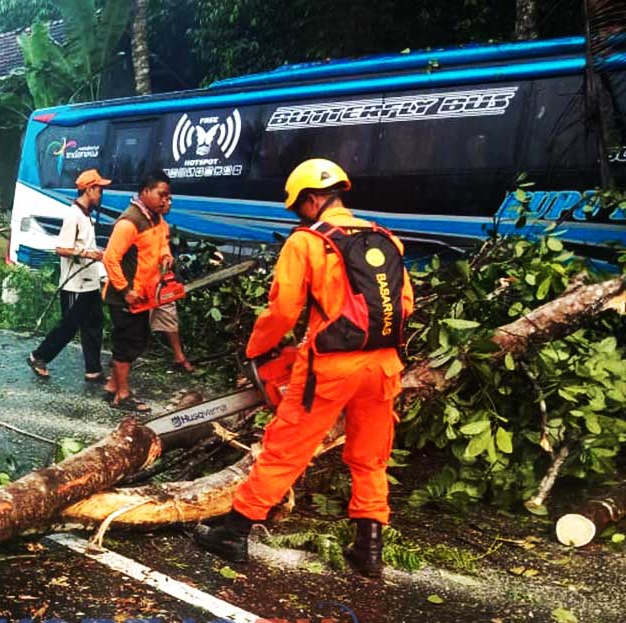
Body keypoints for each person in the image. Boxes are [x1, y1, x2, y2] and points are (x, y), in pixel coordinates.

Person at [193, 158, 414, 577]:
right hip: (384, 365)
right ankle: (369, 548)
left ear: (312, 200)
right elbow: (404, 306)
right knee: (370, 457)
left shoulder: (306, 242)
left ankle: (234, 532)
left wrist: (256, 351)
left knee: (285, 449)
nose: (298, 214)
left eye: (298, 206)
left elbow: (283, 311)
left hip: (329, 369)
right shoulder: (385, 238)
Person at [27, 169, 110, 382]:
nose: (101, 194)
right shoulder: (73, 215)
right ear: (89, 189)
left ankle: (93, 369)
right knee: (69, 326)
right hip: (75, 284)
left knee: (94, 323)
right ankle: (39, 356)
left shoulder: (86, 214)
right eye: (99, 189)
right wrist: (86, 253)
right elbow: (61, 249)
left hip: (90, 282)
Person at [101, 169, 173, 413]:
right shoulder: (128, 222)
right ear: (145, 192)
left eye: (167, 196)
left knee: (137, 340)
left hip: (144, 296)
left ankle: (112, 384)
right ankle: (123, 394)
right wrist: (125, 290)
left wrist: (166, 256)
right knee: (127, 342)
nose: (165, 200)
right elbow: (110, 258)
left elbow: (162, 242)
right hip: (125, 297)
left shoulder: (155, 218)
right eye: (161, 194)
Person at [149, 194, 195, 374]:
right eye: (166, 200)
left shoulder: (162, 224)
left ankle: (179, 356)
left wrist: (167, 256)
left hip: (161, 279)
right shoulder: (138, 224)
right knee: (134, 323)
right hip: (143, 280)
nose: (169, 204)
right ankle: (120, 359)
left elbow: (163, 246)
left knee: (170, 315)